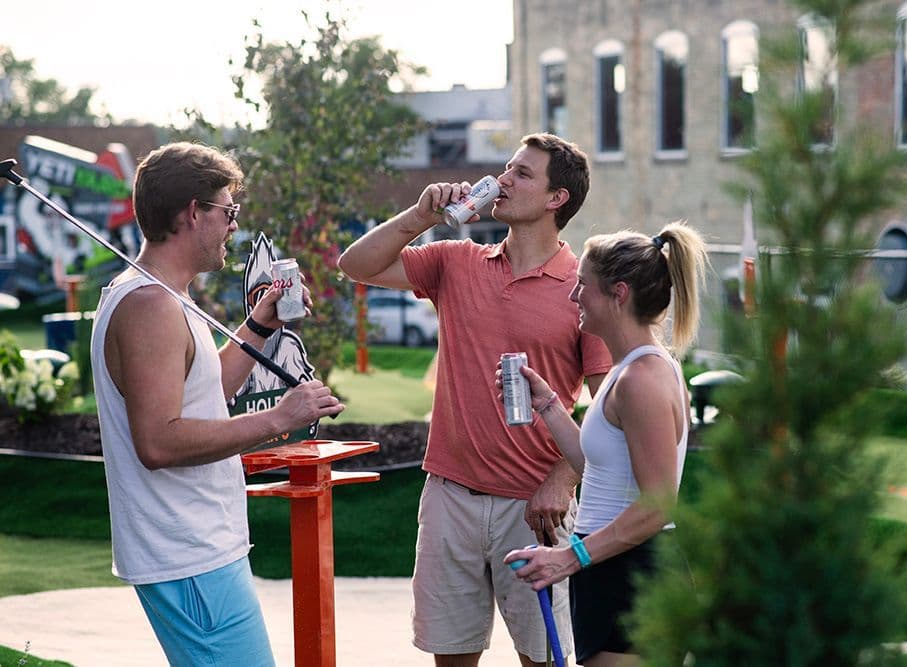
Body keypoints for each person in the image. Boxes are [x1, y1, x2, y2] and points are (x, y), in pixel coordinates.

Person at [338, 133, 612, 666]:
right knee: (452, 659)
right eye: (507, 168)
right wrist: (419, 218)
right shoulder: (456, 262)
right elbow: (357, 265)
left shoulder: (583, 287)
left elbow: (608, 406)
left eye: (522, 174)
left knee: (546, 659)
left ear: (558, 199)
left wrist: (562, 478)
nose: (504, 180)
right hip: (449, 498)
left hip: (536, 509)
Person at [90, 142, 344, 666]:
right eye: (228, 212)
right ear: (192, 213)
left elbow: (202, 396)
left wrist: (259, 327)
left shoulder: (164, 296)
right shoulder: (149, 305)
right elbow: (158, 441)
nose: (234, 227)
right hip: (187, 556)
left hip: (199, 551)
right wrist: (280, 418)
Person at [502, 223, 708, 666]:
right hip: (610, 568)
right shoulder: (629, 371)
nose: (574, 298)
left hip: (634, 575)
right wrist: (550, 407)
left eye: (583, 287)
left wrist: (568, 558)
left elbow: (656, 505)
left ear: (618, 293)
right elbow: (603, 471)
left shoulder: (642, 379)